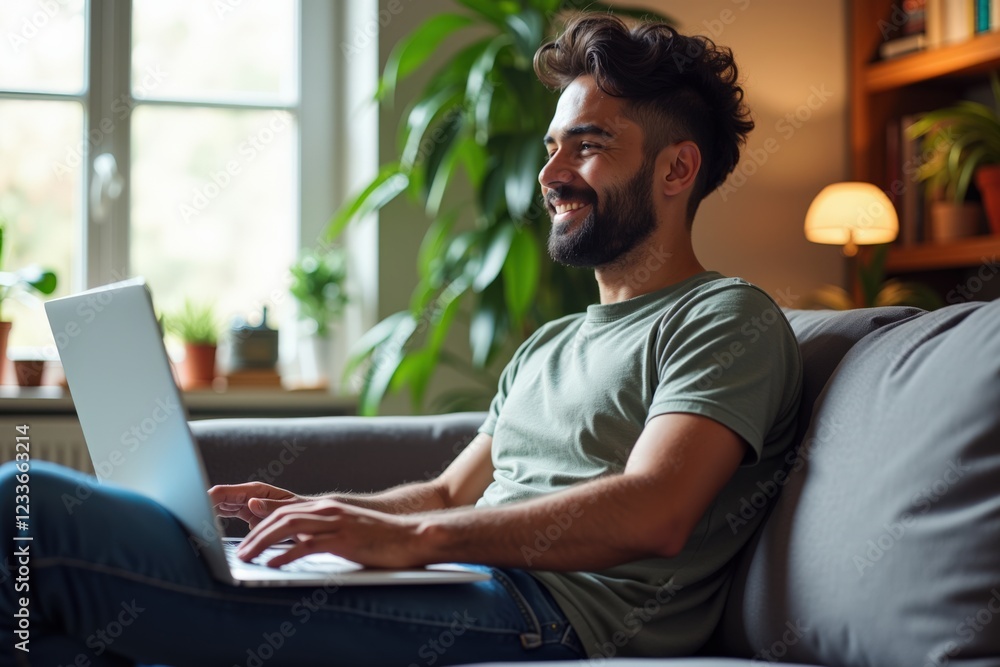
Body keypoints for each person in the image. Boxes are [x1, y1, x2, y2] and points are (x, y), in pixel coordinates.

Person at [0, 14, 801, 667]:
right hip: (473, 579)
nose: (551, 171)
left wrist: (411, 539)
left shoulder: (724, 318)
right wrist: (332, 512)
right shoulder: (548, 343)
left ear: (676, 169)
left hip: (548, 614)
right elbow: (451, 494)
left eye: (587, 145)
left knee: (28, 507)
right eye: (553, 144)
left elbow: (657, 509)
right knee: (61, 629)